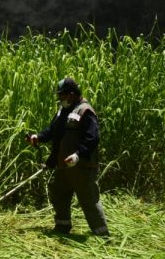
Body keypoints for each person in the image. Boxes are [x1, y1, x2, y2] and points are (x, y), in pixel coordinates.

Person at [26, 77, 109, 237]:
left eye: (62, 95)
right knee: (59, 195)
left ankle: (102, 235)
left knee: (89, 201)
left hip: (81, 167)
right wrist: (38, 137)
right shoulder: (63, 110)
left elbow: (92, 139)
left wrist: (78, 155)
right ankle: (62, 227)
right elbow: (52, 131)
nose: (60, 98)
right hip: (63, 165)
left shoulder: (85, 111)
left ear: (71, 94)